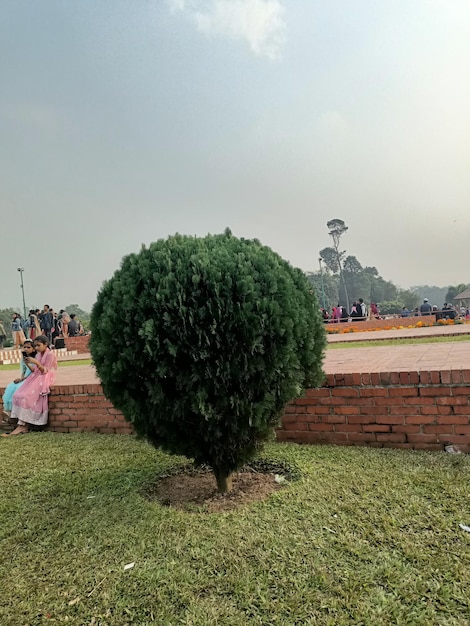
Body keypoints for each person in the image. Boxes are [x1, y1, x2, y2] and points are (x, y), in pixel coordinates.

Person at [2, 335, 57, 437]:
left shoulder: (50, 355)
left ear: (46, 345)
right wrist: (27, 363)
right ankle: (19, 422)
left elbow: (45, 371)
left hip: (45, 377)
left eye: (38, 345)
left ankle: (23, 425)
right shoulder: (38, 355)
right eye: (35, 346)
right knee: (17, 394)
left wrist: (36, 362)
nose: (36, 348)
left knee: (26, 396)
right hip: (36, 376)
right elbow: (34, 371)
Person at [2, 341, 36, 418]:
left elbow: (34, 371)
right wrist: (21, 378)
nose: (26, 349)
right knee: (12, 386)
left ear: (33, 349)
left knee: (19, 388)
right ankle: (9, 411)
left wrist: (24, 379)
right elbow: (24, 371)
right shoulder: (23, 359)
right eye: (25, 347)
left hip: (33, 378)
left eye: (28, 347)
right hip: (25, 378)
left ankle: (15, 413)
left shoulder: (36, 358)